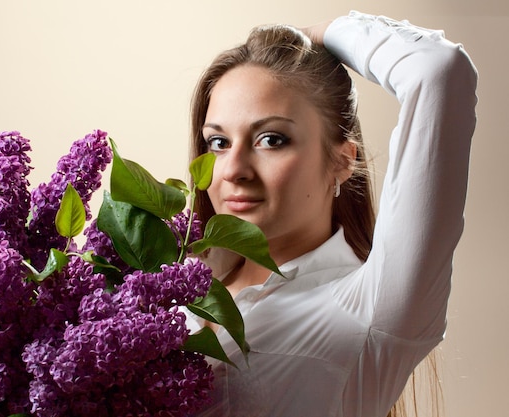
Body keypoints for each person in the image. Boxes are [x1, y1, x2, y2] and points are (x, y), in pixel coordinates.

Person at [184, 11, 478, 417]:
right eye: (218, 142)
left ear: (342, 161)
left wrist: (324, 34)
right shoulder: (162, 287)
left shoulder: (371, 308)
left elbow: (439, 71)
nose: (233, 169)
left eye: (271, 139)